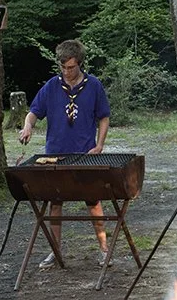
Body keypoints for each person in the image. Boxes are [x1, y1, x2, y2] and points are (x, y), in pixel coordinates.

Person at [18, 39, 111, 264]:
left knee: (93, 201)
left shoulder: (94, 85)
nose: (67, 71)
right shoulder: (52, 86)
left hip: (84, 154)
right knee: (55, 203)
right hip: (55, 154)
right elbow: (34, 112)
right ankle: (56, 250)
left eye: (71, 67)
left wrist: (99, 145)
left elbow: (104, 117)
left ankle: (104, 249)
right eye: (63, 67)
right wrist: (28, 125)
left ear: (80, 63)